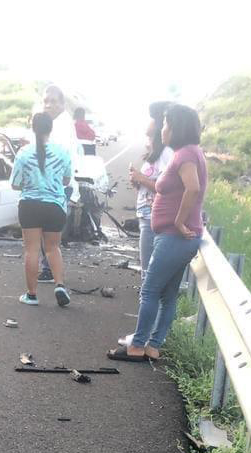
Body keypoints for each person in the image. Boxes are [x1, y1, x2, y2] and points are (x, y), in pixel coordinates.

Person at [108, 104, 207, 362]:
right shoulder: (190, 152)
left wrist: (178, 221)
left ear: (175, 127)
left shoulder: (185, 155)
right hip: (177, 237)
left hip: (174, 237)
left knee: (150, 290)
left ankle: (137, 346)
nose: (162, 129)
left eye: (165, 124)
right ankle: (153, 346)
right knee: (167, 294)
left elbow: (193, 188)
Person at [11, 113, 73, 307]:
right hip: (55, 206)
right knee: (53, 248)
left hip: (29, 205)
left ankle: (31, 295)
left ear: (33, 128)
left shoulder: (23, 153)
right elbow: (66, 180)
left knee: (32, 250)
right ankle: (60, 285)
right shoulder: (62, 152)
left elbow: (14, 183)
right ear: (50, 128)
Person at [36, 85, 82, 284]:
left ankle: (50, 271)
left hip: (59, 185)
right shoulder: (51, 124)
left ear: (62, 104)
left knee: (51, 232)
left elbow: (61, 159)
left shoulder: (62, 126)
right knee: (47, 230)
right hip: (51, 186)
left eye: (53, 101)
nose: (48, 105)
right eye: (45, 101)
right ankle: (49, 269)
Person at [130, 101, 175, 280]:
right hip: (147, 215)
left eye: (151, 118)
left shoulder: (167, 153)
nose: (147, 124)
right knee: (147, 272)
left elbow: (167, 187)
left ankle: (148, 298)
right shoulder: (155, 153)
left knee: (148, 274)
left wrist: (141, 178)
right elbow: (154, 183)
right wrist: (138, 182)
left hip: (154, 217)